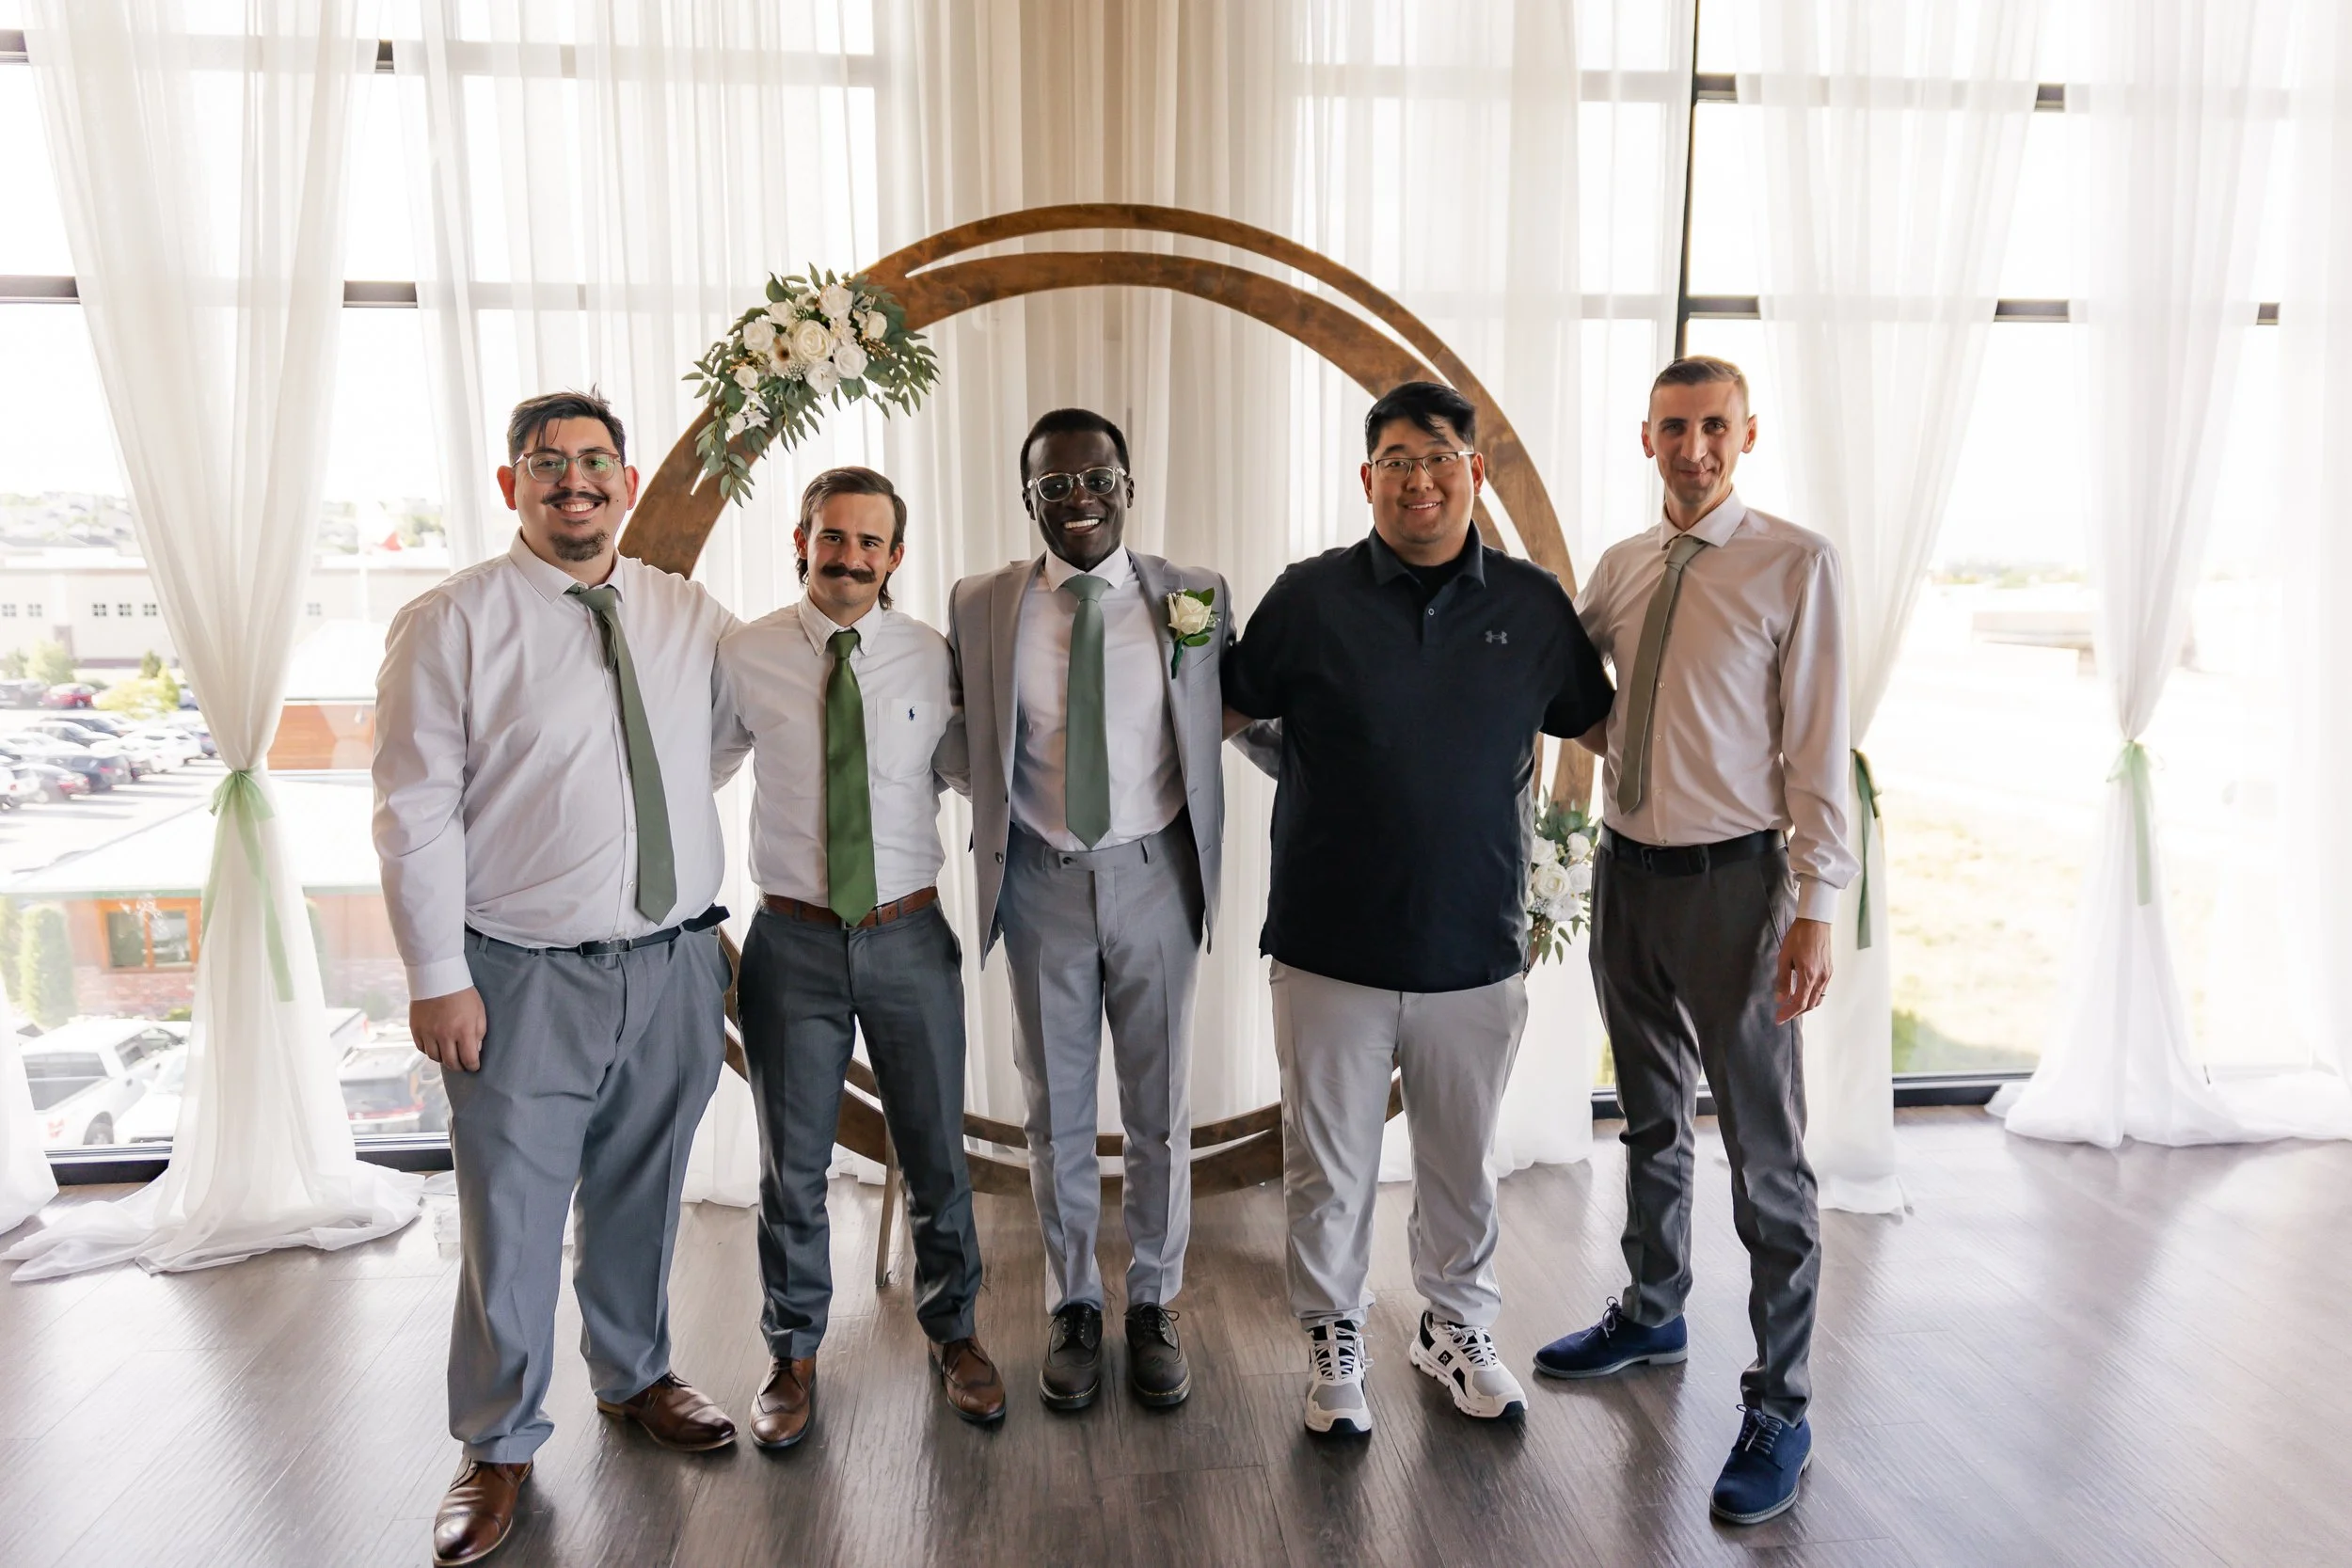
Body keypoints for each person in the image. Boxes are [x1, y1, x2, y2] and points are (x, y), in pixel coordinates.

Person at [375, 390, 741, 1568]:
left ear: (628, 483)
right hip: (519, 976)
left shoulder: (689, 614)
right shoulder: (451, 622)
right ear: (511, 485)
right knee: (512, 1219)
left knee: (645, 1189)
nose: (572, 482)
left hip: (678, 961)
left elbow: (730, 733)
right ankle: (496, 1444)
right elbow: (412, 808)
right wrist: (438, 976)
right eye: (548, 464)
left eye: (594, 462)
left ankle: (634, 1375)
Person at [1221, 380, 1613, 1437]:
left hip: (1474, 943)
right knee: (1329, 1166)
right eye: (1395, 461)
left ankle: (1454, 1326)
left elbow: (1599, 726)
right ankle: (1333, 1333)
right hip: (1325, 943)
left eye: (1437, 457)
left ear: (1472, 471)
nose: (1418, 479)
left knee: (1460, 1164)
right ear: (1367, 480)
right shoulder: (1307, 596)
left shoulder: (1531, 605)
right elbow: (1226, 708)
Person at [1533, 355, 1853, 1528]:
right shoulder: (1622, 568)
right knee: (1652, 1116)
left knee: (1767, 1155)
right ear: (1645, 437)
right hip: (1629, 875)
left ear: (1747, 431)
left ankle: (1781, 1399)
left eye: (1713, 424)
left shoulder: (1794, 562)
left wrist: (1816, 903)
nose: (1693, 445)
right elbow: (1586, 696)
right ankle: (1654, 1304)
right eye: (1674, 426)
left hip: (1738, 881)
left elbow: (1817, 744)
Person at [937, 408, 1263, 1412]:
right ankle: (1074, 1299)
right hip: (1038, 878)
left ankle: (1153, 1299)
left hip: (1156, 871)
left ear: (1128, 483)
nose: (1078, 498)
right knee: (1055, 1110)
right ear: (1027, 498)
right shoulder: (982, 602)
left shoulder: (1193, 595)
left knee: (1159, 1107)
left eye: (1097, 477)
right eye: (1054, 485)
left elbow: (1243, 714)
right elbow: (957, 732)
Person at [713, 466, 1005, 1445]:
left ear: (895, 556)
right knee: (789, 1169)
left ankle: (955, 1331)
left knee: (934, 1153)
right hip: (789, 941)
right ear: (800, 539)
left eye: (869, 542)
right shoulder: (743, 654)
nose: (848, 557)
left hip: (908, 936)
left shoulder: (931, 657)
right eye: (831, 537)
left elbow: (981, 773)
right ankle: (791, 1352)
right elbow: (692, 771)